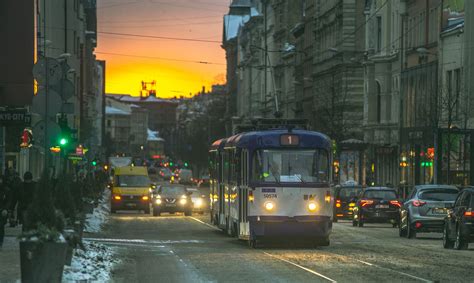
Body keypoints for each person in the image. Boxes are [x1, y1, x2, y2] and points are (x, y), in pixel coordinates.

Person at [0, 176, 8, 248]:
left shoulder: (4, 190)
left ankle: (0, 241)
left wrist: (5, 209)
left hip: (1, 210)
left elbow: (7, 200)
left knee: (1, 226)